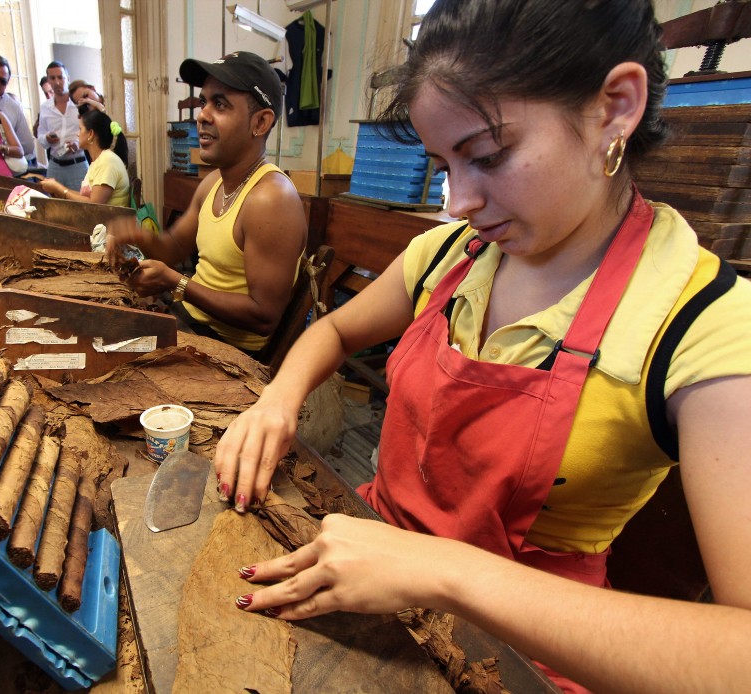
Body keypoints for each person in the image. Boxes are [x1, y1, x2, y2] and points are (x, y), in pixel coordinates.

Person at [215, 2, 751, 692]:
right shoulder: (453, 255)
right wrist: (277, 402)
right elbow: (336, 328)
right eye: (442, 164)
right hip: (373, 560)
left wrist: (442, 571)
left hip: (524, 654)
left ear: (616, 107)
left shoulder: (703, 323)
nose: (459, 199)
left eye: (488, 156)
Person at [106, 51, 307, 355]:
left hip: (229, 350)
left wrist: (177, 283)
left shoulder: (271, 199)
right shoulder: (213, 182)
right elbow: (173, 248)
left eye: (221, 104)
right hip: (191, 322)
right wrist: (133, 235)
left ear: (261, 122)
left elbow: (263, 316)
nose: (202, 115)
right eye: (204, 102)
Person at [40, 110, 130, 207]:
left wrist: (59, 189)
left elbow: (94, 204)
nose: (77, 134)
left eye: (80, 129)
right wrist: (57, 188)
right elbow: (89, 199)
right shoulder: (99, 160)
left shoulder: (107, 161)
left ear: (91, 134)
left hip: (110, 221)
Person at [37, 61, 88, 191]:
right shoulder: (45, 108)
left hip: (78, 163)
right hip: (55, 165)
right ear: (48, 80)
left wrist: (79, 143)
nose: (57, 82)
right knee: (53, 206)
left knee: (82, 206)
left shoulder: (79, 104)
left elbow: (92, 132)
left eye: (60, 77)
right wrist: (47, 138)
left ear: (67, 78)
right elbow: (40, 137)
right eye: (52, 78)